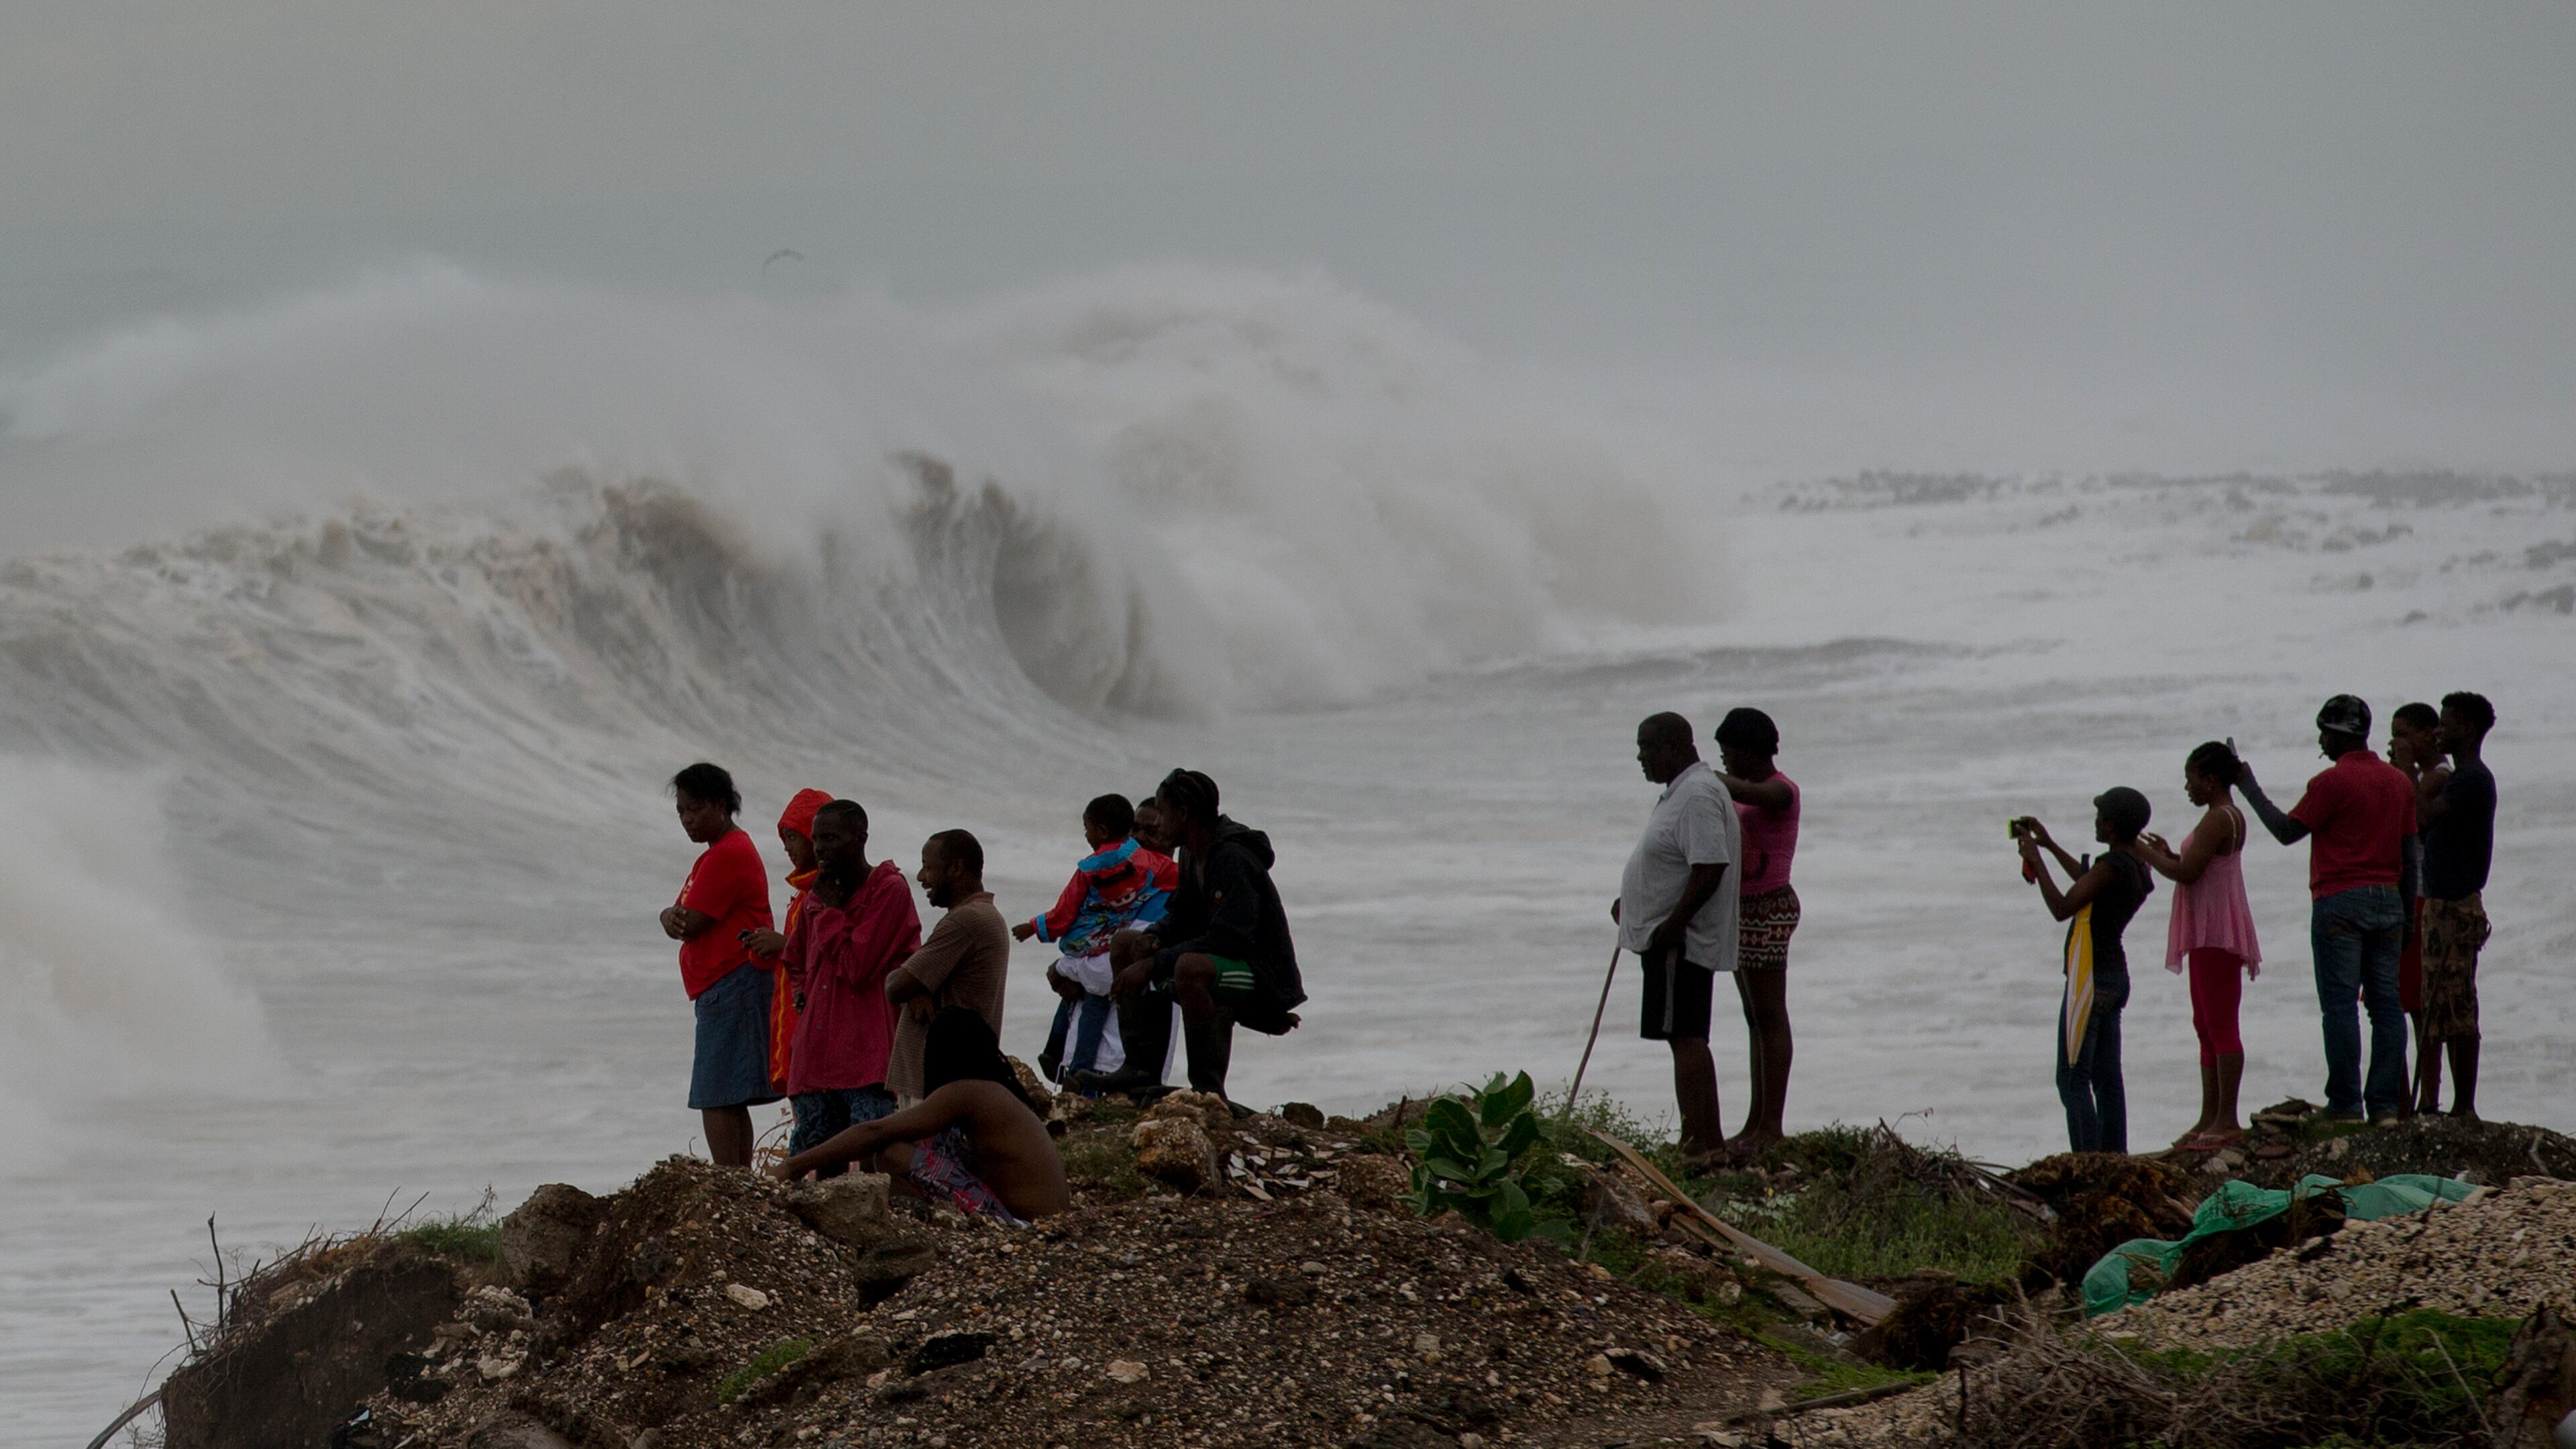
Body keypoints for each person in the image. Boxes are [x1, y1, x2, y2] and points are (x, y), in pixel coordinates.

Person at [2237, 695, 2421, 1124]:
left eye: (2323, 733)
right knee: (2386, 1008)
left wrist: (2248, 785)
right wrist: (2409, 915)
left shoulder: (2331, 783)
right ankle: (2385, 1107)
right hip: (2390, 901)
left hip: (2340, 901)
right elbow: (2408, 856)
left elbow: (2286, 831)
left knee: (2340, 1007)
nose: (2321, 741)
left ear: (2336, 735)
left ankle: (2345, 1105)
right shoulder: (2398, 783)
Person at [1090, 769, 1306, 1104]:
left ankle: (1208, 1090)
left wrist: (1153, 965)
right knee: (1125, 943)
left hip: (1260, 974)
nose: (1158, 823)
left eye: (1162, 813)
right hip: (1221, 957)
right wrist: (1154, 936)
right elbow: (1183, 914)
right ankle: (1139, 1068)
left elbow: (1229, 939)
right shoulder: (1192, 852)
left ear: (1183, 813)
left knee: (1190, 967)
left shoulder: (1232, 858)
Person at [769, 1007, 1069, 1223]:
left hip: (1028, 1225)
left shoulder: (967, 1093)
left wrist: (794, 1165)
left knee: (891, 1153)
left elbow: (876, 1132)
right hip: (1041, 1217)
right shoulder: (990, 1092)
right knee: (920, 1144)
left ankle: (917, 1224)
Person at [1611, 713, 1739, 1164]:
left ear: (1675, 746)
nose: (1640, 757)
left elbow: (1710, 867)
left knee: (1685, 1037)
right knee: (1683, 1037)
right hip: (1670, 937)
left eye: (1647, 747)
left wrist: (1673, 924)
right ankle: (1706, 1142)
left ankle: (1701, 1145)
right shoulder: (1682, 793)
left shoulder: (1697, 795)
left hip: (1678, 943)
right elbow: (1672, 862)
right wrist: (1633, 899)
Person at [778, 800, 921, 1177]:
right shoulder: (818, 894)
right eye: (816, 839)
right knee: (815, 1161)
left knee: (878, 1159)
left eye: (830, 838)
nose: (820, 848)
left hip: (865, 1056)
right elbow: (794, 957)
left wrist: (828, 913)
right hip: (816, 1054)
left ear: (860, 839)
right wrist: (802, 992)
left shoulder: (888, 891)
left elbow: (857, 966)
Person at [2134, 743, 2261, 1150]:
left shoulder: (2219, 819)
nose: (2187, 788)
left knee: (2220, 1024)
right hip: (2213, 927)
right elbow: (2197, 866)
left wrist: (2143, 852)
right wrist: (2166, 853)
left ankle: (2227, 1118)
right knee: (2205, 1023)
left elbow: (2188, 874)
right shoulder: (2224, 817)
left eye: (2191, 780)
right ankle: (2210, 1115)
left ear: (2210, 780)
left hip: (2215, 931)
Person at [2013, 789, 2154, 1155]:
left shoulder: (2112, 867)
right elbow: (2088, 881)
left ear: (2110, 825)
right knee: (2108, 1079)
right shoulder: (2135, 866)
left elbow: (2063, 906)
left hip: (2091, 981)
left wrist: (2034, 860)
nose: (2095, 822)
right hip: (2115, 978)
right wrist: (2048, 845)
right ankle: (2115, 1158)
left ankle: (2089, 1165)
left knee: (2073, 1078)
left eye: (2099, 817)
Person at [658, 762, 780, 1168]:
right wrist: (669, 916)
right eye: (682, 813)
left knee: (716, 1094)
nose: (687, 821)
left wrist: (671, 917)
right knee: (729, 1094)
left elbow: (689, 921)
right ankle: (739, 1179)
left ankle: (731, 1182)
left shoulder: (728, 855)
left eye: (694, 810)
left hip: (733, 982)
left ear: (721, 805)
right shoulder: (716, 855)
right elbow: (680, 916)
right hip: (729, 984)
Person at [1018, 794, 1178, 1085]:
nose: (1140, 838)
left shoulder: (1169, 896)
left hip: (1115, 1064)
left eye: (1151, 832)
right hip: (1091, 1061)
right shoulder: (1121, 879)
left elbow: (1111, 973)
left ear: (1173, 836)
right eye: (1135, 830)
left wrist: (1063, 969)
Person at [1710, 707, 1798, 1160]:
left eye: (1728, 753)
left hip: (1770, 907)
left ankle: (1772, 1126)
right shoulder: (1745, 791)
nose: (1724, 760)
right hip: (1742, 909)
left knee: (1771, 1016)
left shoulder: (1783, 789)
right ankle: (1755, 1121)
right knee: (1754, 1019)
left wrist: (1705, 778)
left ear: (1749, 751)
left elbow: (1753, 791)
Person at [2413, 692, 2498, 1118]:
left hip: (2455, 907)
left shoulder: (2470, 779)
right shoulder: (2465, 778)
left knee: (2456, 1005)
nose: (2437, 730)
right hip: (2446, 903)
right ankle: (2457, 1105)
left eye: (2445, 722)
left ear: (2466, 727)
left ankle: (2464, 1105)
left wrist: (2409, 777)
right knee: (2441, 1004)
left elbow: (2425, 818)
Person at [883, 830, 1011, 1102]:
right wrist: (919, 987)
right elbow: (911, 980)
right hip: (950, 1079)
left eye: (928, 868)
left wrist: (913, 985)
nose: (920, 877)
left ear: (956, 867)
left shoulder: (965, 921)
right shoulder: (984, 915)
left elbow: (895, 987)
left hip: (939, 1082)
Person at [745, 787, 834, 1096]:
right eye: (784, 839)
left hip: (818, 1025)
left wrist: (782, 944)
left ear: (818, 838)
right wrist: (765, 947)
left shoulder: (830, 892)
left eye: (793, 837)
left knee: (817, 1115)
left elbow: (837, 952)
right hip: (796, 1019)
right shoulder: (803, 894)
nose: (787, 848)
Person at [2387, 700, 2444, 1105]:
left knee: (2422, 1006)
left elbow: (2411, 811)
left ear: (2429, 735)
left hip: (2424, 897)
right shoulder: (2411, 776)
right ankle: (2403, 1096)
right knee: (2396, 1001)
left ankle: (2427, 1098)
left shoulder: (2439, 776)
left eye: (2404, 735)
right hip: (2405, 894)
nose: (2396, 744)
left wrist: (2403, 765)